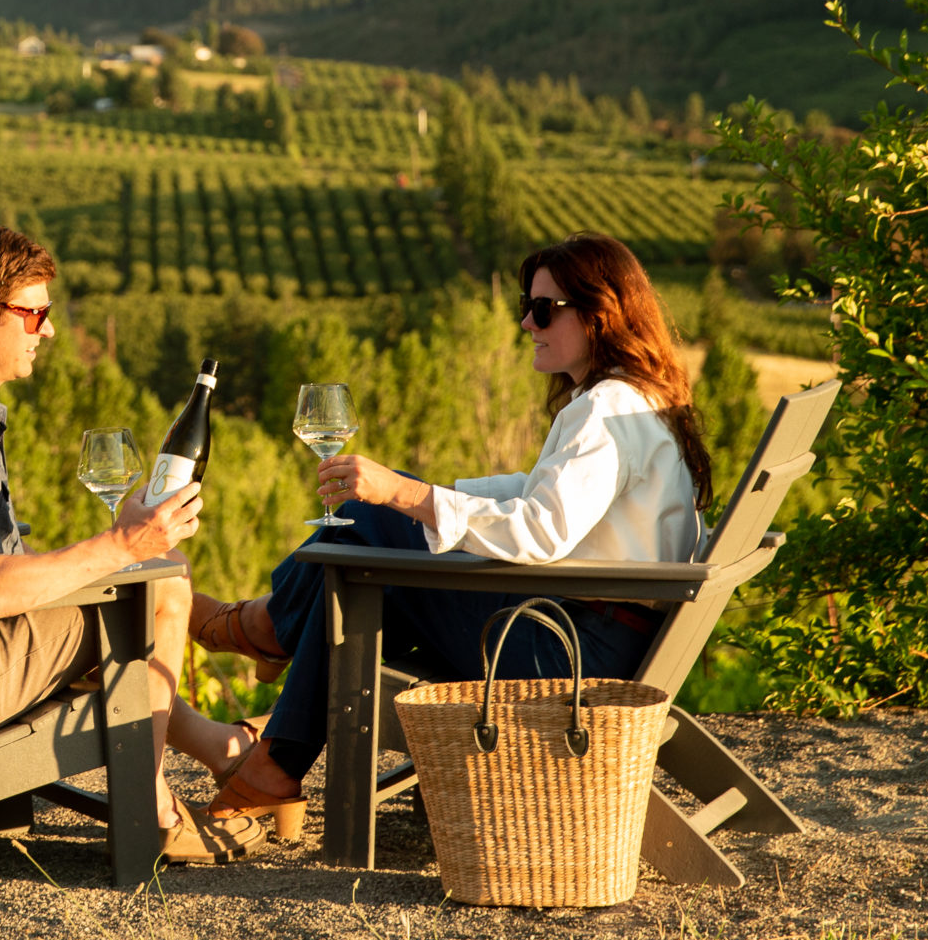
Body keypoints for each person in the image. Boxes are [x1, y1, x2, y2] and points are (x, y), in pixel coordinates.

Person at [190, 231, 715, 830]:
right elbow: (544, 489)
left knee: (366, 536)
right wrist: (427, 494)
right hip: (597, 634)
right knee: (373, 540)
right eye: (527, 304)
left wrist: (408, 497)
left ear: (600, 314)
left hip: (567, 653)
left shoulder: (602, 409)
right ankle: (272, 731)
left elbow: (542, 531)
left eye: (543, 308)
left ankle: (265, 644)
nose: (525, 322)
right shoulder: (640, 399)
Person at [0, 221, 270, 862]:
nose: (49, 330)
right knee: (161, 584)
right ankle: (152, 807)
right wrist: (122, 545)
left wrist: (124, 550)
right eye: (34, 315)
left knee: (147, 571)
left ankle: (230, 749)